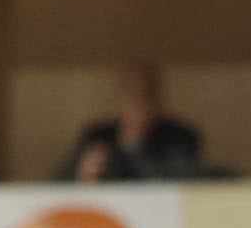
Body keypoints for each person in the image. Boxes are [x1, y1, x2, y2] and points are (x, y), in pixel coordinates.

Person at [58, 62, 205, 181]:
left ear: (158, 98)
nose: (138, 101)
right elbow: (57, 183)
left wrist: (135, 138)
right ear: (118, 97)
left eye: (145, 93)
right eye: (131, 92)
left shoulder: (180, 138)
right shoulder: (97, 137)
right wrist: (81, 175)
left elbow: (180, 180)